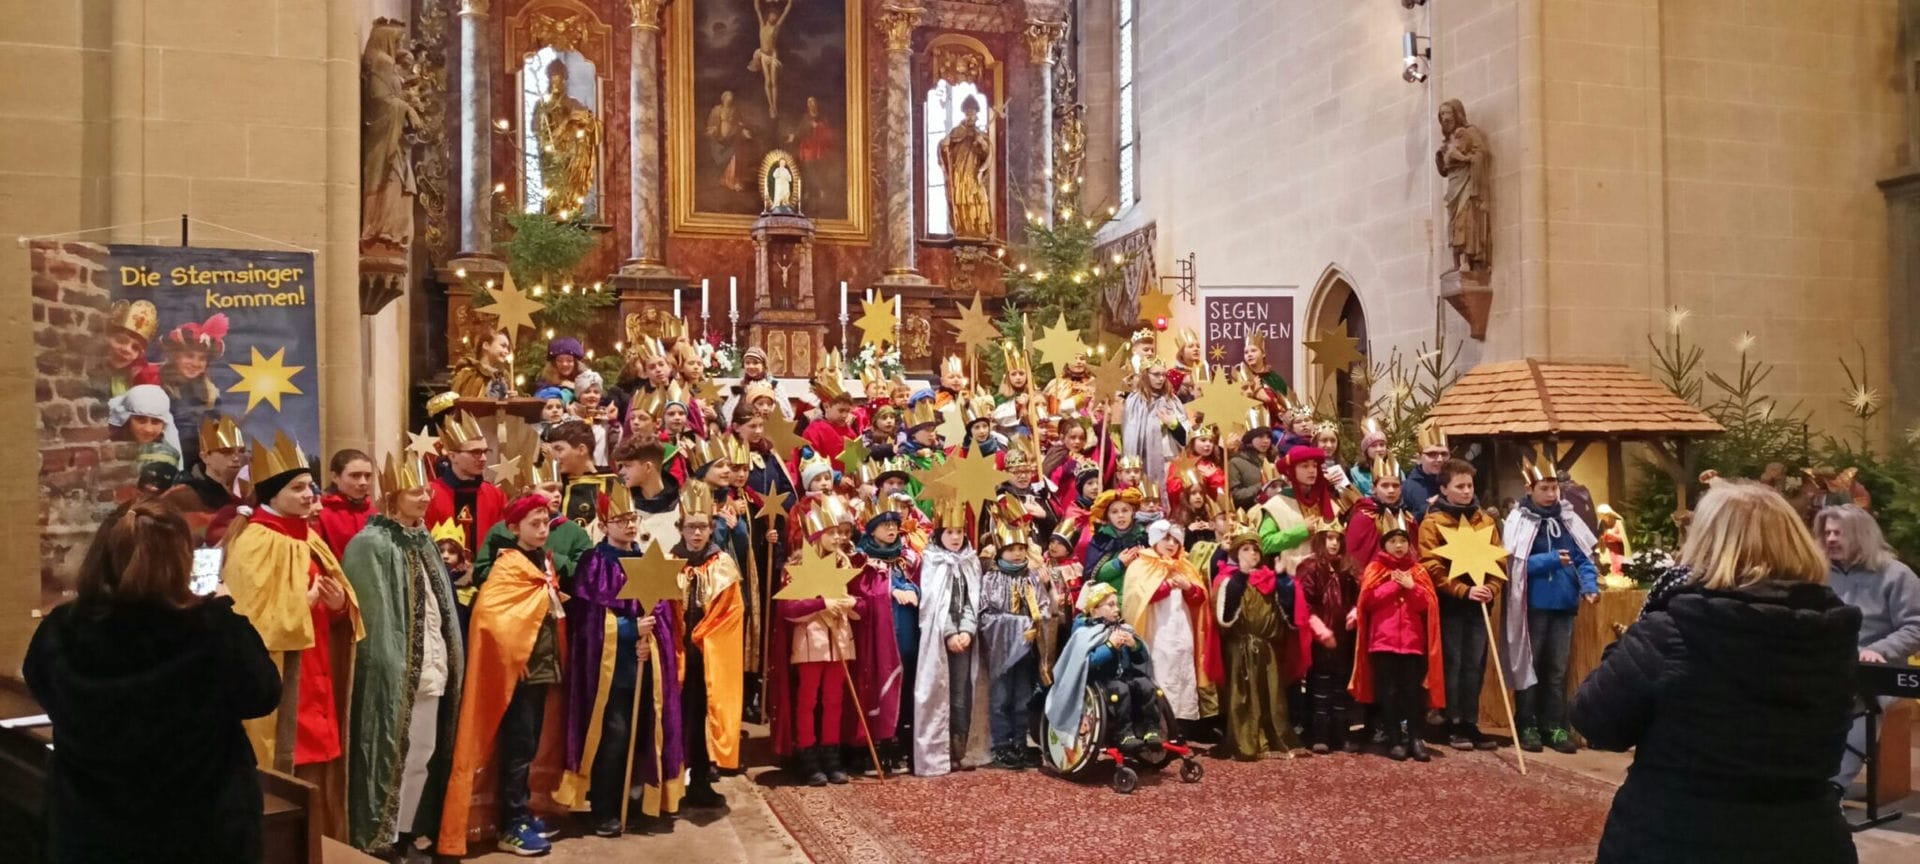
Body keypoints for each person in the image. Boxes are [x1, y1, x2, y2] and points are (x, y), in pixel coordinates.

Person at [1572, 480, 1861, 864]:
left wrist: (1630, 640)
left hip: (1679, 837)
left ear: (1705, 544)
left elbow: (1595, 721)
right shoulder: (1831, 631)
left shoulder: (1673, 628)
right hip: (1806, 837)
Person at [24, 500, 282, 864]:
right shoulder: (215, 631)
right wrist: (226, 611)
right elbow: (263, 693)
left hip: (91, 831)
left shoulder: (63, 630)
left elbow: (43, 688)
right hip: (200, 832)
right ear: (182, 560)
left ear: (101, 555)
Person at [220, 432, 365, 837]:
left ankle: (321, 844)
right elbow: (248, 624)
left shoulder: (309, 536)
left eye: (310, 487)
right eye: (297, 488)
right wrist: (303, 603)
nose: (308, 495)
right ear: (272, 494)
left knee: (317, 771)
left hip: (317, 672)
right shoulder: (254, 543)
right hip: (283, 680)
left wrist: (338, 606)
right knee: (288, 774)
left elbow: (339, 609)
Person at [339, 452, 463, 860]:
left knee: (422, 753)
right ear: (393, 496)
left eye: (427, 490)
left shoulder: (422, 538)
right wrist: (392, 664)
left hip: (430, 664)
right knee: (393, 750)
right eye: (416, 492)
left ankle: (408, 826)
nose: (426, 497)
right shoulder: (369, 544)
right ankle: (381, 833)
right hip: (394, 669)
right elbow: (373, 616)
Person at [439, 494, 567, 857]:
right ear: (514, 529)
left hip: (542, 663)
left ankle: (522, 810)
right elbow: (490, 616)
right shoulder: (509, 565)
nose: (542, 530)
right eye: (534, 524)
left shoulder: (542, 559)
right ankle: (512, 822)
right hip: (520, 668)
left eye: (545, 523)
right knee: (517, 746)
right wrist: (514, 655)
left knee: (529, 745)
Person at [555, 485, 674, 837]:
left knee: (640, 737)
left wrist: (649, 640)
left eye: (632, 519)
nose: (629, 526)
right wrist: (628, 631)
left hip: (641, 667)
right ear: (605, 524)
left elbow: (662, 614)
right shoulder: (595, 563)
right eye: (620, 520)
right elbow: (590, 621)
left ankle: (634, 801)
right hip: (608, 672)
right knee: (614, 736)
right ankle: (603, 806)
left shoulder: (649, 560)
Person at [1814, 505, 1920, 794]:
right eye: (1827, 533)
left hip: (1877, 668)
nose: (1831, 539)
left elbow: (1916, 627)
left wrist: (1879, 650)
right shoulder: (1817, 572)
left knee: (1860, 701)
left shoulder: (1897, 575)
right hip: (1824, 663)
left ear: (1862, 535)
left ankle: (1832, 788)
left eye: (1840, 533)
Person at [1501, 462, 1599, 755]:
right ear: (1529, 489)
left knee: (1557, 670)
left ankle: (1554, 724)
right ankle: (1527, 723)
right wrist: (1552, 560)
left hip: (1564, 604)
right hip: (1534, 605)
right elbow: (1516, 565)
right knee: (1530, 666)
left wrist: (1590, 585)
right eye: (1544, 488)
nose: (1550, 494)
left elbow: (1583, 557)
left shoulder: (1568, 519)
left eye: (1554, 488)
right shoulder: (1520, 519)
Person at [1417, 457, 1501, 751]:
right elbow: (1431, 564)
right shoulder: (1433, 522)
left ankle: (1470, 720)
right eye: (1460, 486)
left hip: (1479, 603)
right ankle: (1451, 721)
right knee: (1453, 663)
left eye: (1470, 486)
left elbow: (1498, 560)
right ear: (1444, 489)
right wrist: (1463, 590)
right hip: (1451, 603)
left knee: (1474, 664)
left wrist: (1491, 587)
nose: (1467, 492)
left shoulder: (1485, 521)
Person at [1212, 519, 1309, 760]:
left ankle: (1272, 737)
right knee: (1243, 696)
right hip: (1239, 648)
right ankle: (1246, 741)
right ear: (1235, 553)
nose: (1252, 554)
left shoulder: (1269, 580)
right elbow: (1223, 618)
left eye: (1255, 549)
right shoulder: (1227, 579)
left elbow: (1288, 616)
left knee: (1270, 696)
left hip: (1267, 647)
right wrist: (1240, 580)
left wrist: (1285, 584)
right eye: (1245, 549)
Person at [1349, 527, 1443, 762]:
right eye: (1393, 541)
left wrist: (1411, 587)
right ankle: (1394, 739)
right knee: (1388, 692)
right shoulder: (1375, 569)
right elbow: (1367, 601)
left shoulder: (1418, 571)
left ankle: (1415, 738)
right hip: (1383, 642)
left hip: (1413, 643)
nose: (1399, 546)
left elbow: (1427, 605)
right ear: (1385, 545)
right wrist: (1394, 585)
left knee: (1413, 693)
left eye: (1403, 541)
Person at [1122, 520, 1215, 728]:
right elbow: (1137, 598)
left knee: (1182, 670)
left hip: (1182, 629)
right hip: (1156, 628)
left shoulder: (1185, 566)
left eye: (1175, 540)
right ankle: (1156, 720)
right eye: (1166, 538)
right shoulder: (1141, 565)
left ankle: (1180, 722)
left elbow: (1199, 600)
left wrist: (1189, 588)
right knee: (1161, 669)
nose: (1171, 544)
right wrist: (1167, 585)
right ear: (1155, 540)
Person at [1046, 583, 1161, 750]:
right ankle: (1124, 733)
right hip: (1102, 679)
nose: (1116, 609)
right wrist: (1109, 646)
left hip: (1126, 675)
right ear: (1094, 610)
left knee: (1146, 685)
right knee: (1120, 689)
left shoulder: (1124, 628)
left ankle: (1150, 728)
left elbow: (1141, 659)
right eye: (1110, 605)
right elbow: (1086, 662)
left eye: (1117, 604)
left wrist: (1134, 645)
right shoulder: (1084, 632)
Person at [910, 504, 979, 776]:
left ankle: (958, 751)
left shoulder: (970, 561)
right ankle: (938, 753)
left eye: (960, 531)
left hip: (964, 638)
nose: (955, 537)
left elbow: (973, 601)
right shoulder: (932, 561)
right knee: (939, 693)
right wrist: (950, 632)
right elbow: (935, 604)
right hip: (939, 638)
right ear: (939, 533)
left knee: (961, 695)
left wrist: (967, 631)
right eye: (950, 531)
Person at [979, 520, 1051, 769]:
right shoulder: (990, 579)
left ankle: (1021, 741)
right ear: (1000, 552)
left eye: (1021, 548)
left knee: (1023, 698)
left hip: (1027, 652)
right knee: (1001, 698)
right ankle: (1001, 744)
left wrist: (1038, 623)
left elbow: (1042, 607)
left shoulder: (1031, 578)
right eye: (1011, 549)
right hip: (1001, 652)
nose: (1018, 553)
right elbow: (985, 615)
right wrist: (1020, 625)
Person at [1295, 521, 1360, 754]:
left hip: (1344, 637)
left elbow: (1358, 597)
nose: (1334, 543)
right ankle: (1318, 734)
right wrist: (1320, 629)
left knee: (1341, 687)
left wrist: (1355, 611)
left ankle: (1340, 734)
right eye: (1329, 538)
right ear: (1320, 540)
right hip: (1321, 639)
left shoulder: (1348, 567)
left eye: (1337, 539)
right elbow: (1305, 602)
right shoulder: (1310, 567)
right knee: (1320, 686)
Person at [426, 412, 506, 558]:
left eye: (484, 452)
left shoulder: (495, 495)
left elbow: (503, 541)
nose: (483, 458)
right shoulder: (430, 494)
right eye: (475, 452)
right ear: (452, 456)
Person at [317, 449, 377, 559]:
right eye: (355, 475)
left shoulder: (374, 513)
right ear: (335, 477)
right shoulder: (322, 514)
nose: (363, 482)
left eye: (367, 476)